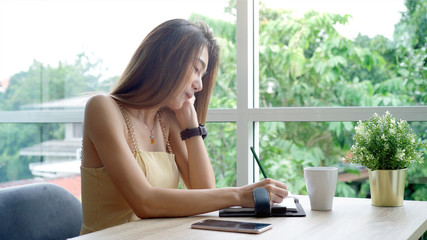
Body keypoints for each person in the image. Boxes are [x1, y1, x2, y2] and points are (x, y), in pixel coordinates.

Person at [80, 18, 288, 235]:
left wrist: (192, 127)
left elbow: (205, 192)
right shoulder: (103, 109)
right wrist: (240, 195)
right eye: (197, 69)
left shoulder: (165, 120)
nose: (199, 85)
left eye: (202, 75)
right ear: (166, 60)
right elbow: (145, 202)